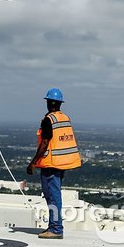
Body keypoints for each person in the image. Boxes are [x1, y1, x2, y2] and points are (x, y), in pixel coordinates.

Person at [26, 87, 81, 239]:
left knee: (52, 196)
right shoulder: (64, 118)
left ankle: (56, 229)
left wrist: (33, 163)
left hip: (51, 164)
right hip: (62, 163)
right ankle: (53, 226)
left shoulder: (48, 120)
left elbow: (44, 143)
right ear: (60, 103)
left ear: (49, 102)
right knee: (53, 195)